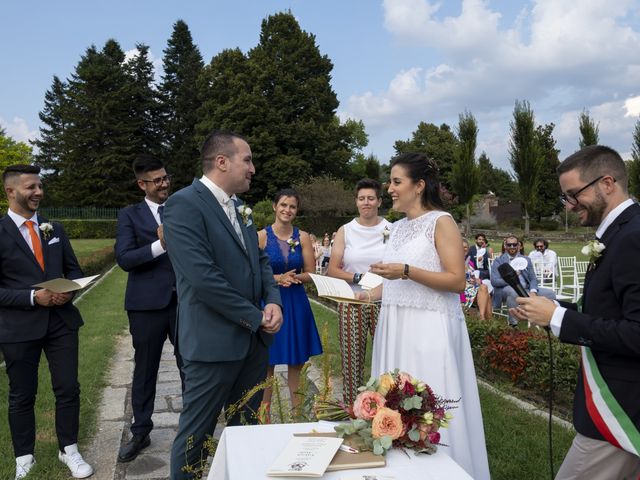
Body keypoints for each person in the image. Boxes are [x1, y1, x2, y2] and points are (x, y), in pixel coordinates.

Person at [512, 145, 640, 479]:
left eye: (573, 194)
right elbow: (609, 310)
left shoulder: (632, 237)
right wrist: (552, 310)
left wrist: (558, 319)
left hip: (622, 409)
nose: (569, 206)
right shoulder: (619, 232)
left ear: (607, 183)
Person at [163, 130, 282, 479]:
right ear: (221, 162)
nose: (253, 169)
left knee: (245, 432)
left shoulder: (241, 209)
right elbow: (203, 279)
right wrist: (255, 316)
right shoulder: (183, 204)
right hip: (212, 343)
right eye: (247, 160)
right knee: (195, 437)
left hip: (252, 344)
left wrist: (273, 302)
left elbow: (260, 263)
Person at [366, 153, 490, 479]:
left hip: (428, 328)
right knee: (394, 403)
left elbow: (457, 281)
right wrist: (366, 295)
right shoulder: (398, 227)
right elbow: (394, 282)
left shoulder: (442, 222)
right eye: (389, 181)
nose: (389, 189)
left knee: (429, 407)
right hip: (395, 324)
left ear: (418, 185)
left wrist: (406, 270)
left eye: (396, 182)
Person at [0, 164, 93, 479]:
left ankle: (70, 449)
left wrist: (70, 291)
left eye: (40, 186)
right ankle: (24, 458)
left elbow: (75, 270)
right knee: (22, 394)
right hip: (18, 328)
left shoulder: (55, 228)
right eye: (31, 187)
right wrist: (31, 297)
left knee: (68, 388)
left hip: (61, 323)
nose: (38, 192)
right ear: (11, 192)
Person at [114, 154, 183, 462]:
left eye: (166, 177)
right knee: (145, 371)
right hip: (146, 306)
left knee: (191, 366)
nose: (165, 183)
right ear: (141, 183)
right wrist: (160, 245)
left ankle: (194, 427)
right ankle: (140, 430)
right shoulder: (129, 215)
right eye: (157, 180)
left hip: (184, 302)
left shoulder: (182, 208)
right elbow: (125, 259)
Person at [327, 178, 392, 404]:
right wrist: (358, 277)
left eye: (371, 198)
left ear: (379, 201)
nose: (366, 203)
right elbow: (332, 269)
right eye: (362, 198)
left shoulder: (391, 229)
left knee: (385, 357)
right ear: (356, 202)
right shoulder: (346, 230)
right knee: (351, 359)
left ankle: (387, 408)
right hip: (352, 299)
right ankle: (353, 409)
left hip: (383, 299)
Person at [258, 189, 322, 410]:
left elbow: (311, 272)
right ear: (275, 206)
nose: (287, 210)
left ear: (296, 210)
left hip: (295, 301)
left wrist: (294, 277)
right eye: (283, 205)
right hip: (270, 302)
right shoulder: (261, 236)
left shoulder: (302, 236)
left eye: (292, 206)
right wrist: (277, 278)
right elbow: (253, 273)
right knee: (268, 361)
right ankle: (263, 413)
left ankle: (297, 412)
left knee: (297, 360)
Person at [491, 235, 556, 327]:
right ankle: (513, 324)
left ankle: (549, 320)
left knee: (551, 293)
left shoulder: (526, 259)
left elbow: (533, 278)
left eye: (514, 244)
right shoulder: (499, 261)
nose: (512, 247)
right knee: (513, 292)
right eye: (509, 245)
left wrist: (533, 291)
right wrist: (511, 278)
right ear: (505, 246)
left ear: (519, 245)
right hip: (506, 289)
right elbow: (494, 281)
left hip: (526, 289)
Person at [461, 239, 493, 320]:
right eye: (461, 247)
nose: (464, 249)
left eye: (466, 247)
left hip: (472, 288)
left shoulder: (470, 262)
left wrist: (477, 280)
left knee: (484, 287)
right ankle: (487, 320)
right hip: (461, 290)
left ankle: (482, 316)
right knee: (487, 296)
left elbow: (473, 276)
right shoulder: (454, 261)